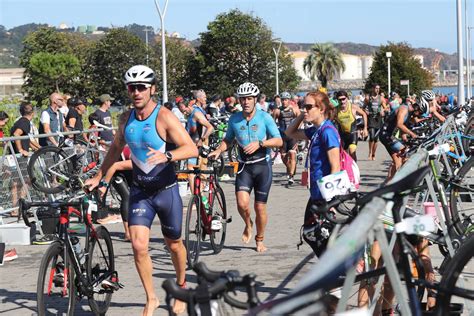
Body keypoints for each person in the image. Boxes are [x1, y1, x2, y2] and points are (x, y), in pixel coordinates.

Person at [85, 65, 198, 315]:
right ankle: (151, 298)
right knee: (138, 245)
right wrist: (99, 175)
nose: (136, 92)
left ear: (152, 89)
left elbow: (191, 149)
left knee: (175, 245)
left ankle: (180, 286)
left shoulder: (164, 116)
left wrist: (167, 155)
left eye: (141, 88)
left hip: (166, 191)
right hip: (140, 192)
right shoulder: (126, 119)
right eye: (131, 88)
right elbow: (115, 149)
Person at [209, 82, 282, 252]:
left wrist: (261, 143)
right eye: (243, 99)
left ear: (255, 99)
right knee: (242, 204)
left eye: (249, 98)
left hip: (262, 166)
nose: (246, 102)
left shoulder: (265, 117)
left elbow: (279, 140)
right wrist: (218, 150)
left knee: (259, 206)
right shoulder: (235, 119)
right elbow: (228, 140)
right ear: (239, 101)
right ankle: (248, 223)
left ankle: (260, 239)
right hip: (244, 167)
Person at [285, 91, 341, 257]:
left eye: (309, 107)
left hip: (325, 194)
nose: (305, 110)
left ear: (321, 108)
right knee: (313, 234)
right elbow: (290, 133)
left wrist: (331, 201)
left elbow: (335, 166)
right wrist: (301, 116)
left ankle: (336, 271)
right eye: (303, 106)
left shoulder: (328, 131)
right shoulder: (316, 131)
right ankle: (334, 271)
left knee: (317, 234)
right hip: (316, 192)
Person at [178, 100, 214, 194]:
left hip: (197, 147)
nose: (184, 113)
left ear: (189, 105)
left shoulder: (196, 114)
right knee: (191, 172)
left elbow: (210, 127)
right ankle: (198, 197)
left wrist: (203, 139)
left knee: (192, 171)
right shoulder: (189, 114)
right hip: (190, 147)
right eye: (182, 112)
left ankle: (197, 198)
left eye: (184, 110)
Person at [272, 91, 301, 185]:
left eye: (286, 99)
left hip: (292, 136)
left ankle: (291, 176)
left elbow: (301, 119)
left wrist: (298, 129)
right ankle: (290, 168)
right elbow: (272, 123)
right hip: (282, 136)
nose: (284, 101)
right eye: (283, 100)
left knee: (292, 154)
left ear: (289, 100)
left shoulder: (295, 109)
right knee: (283, 157)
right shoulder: (277, 111)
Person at [334, 90, 368, 161]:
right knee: (343, 156)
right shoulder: (336, 110)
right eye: (340, 100)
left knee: (352, 152)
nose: (342, 101)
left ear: (347, 98)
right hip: (342, 135)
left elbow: (364, 114)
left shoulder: (353, 107)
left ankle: (354, 170)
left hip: (353, 134)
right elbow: (329, 120)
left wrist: (365, 128)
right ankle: (346, 170)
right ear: (337, 100)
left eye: (344, 99)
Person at [365, 85, 387, 161]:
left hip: (378, 120)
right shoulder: (368, 98)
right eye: (376, 88)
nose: (377, 90)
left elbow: (386, 108)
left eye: (378, 88)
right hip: (371, 119)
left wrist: (382, 111)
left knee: (376, 138)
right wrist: (366, 111)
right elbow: (363, 107)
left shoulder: (381, 98)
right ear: (373, 88)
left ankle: (374, 153)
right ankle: (370, 152)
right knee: (371, 136)